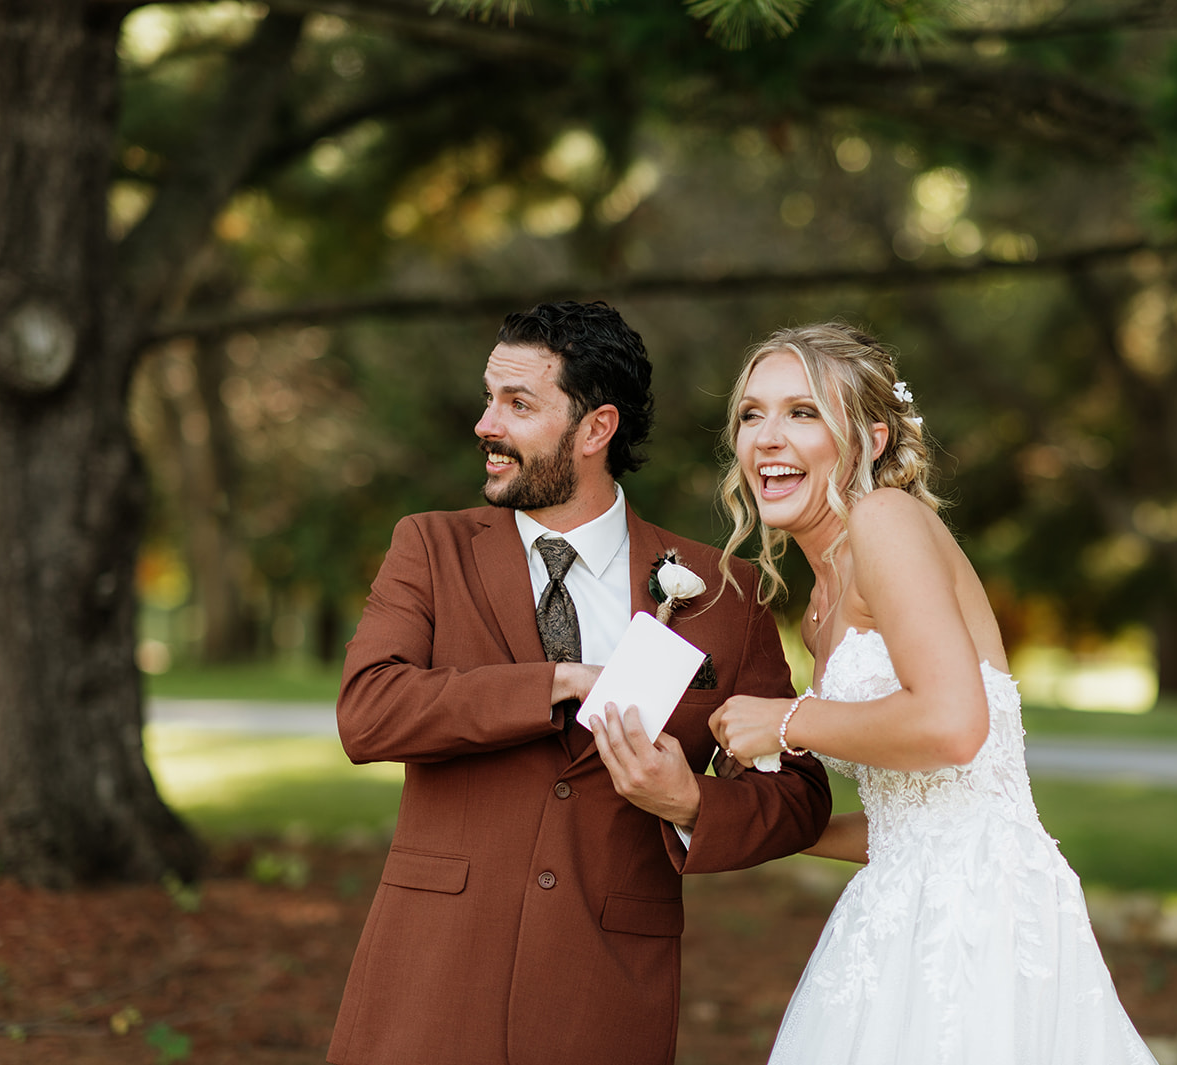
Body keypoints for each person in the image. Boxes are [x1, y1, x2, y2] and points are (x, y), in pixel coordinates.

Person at [327, 301, 831, 1065]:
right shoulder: (429, 547)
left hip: (603, 994)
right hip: (432, 979)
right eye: (489, 398)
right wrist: (557, 681)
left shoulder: (725, 592)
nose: (486, 424)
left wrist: (690, 802)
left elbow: (799, 796)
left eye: (518, 404)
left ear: (596, 429)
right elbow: (368, 712)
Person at [709, 323, 1158, 1064]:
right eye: (752, 414)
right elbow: (911, 821)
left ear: (871, 440)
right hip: (900, 907)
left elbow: (953, 725)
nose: (767, 438)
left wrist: (787, 721)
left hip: (977, 918)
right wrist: (746, 815)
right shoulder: (819, 609)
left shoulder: (886, 520)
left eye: (803, 412)